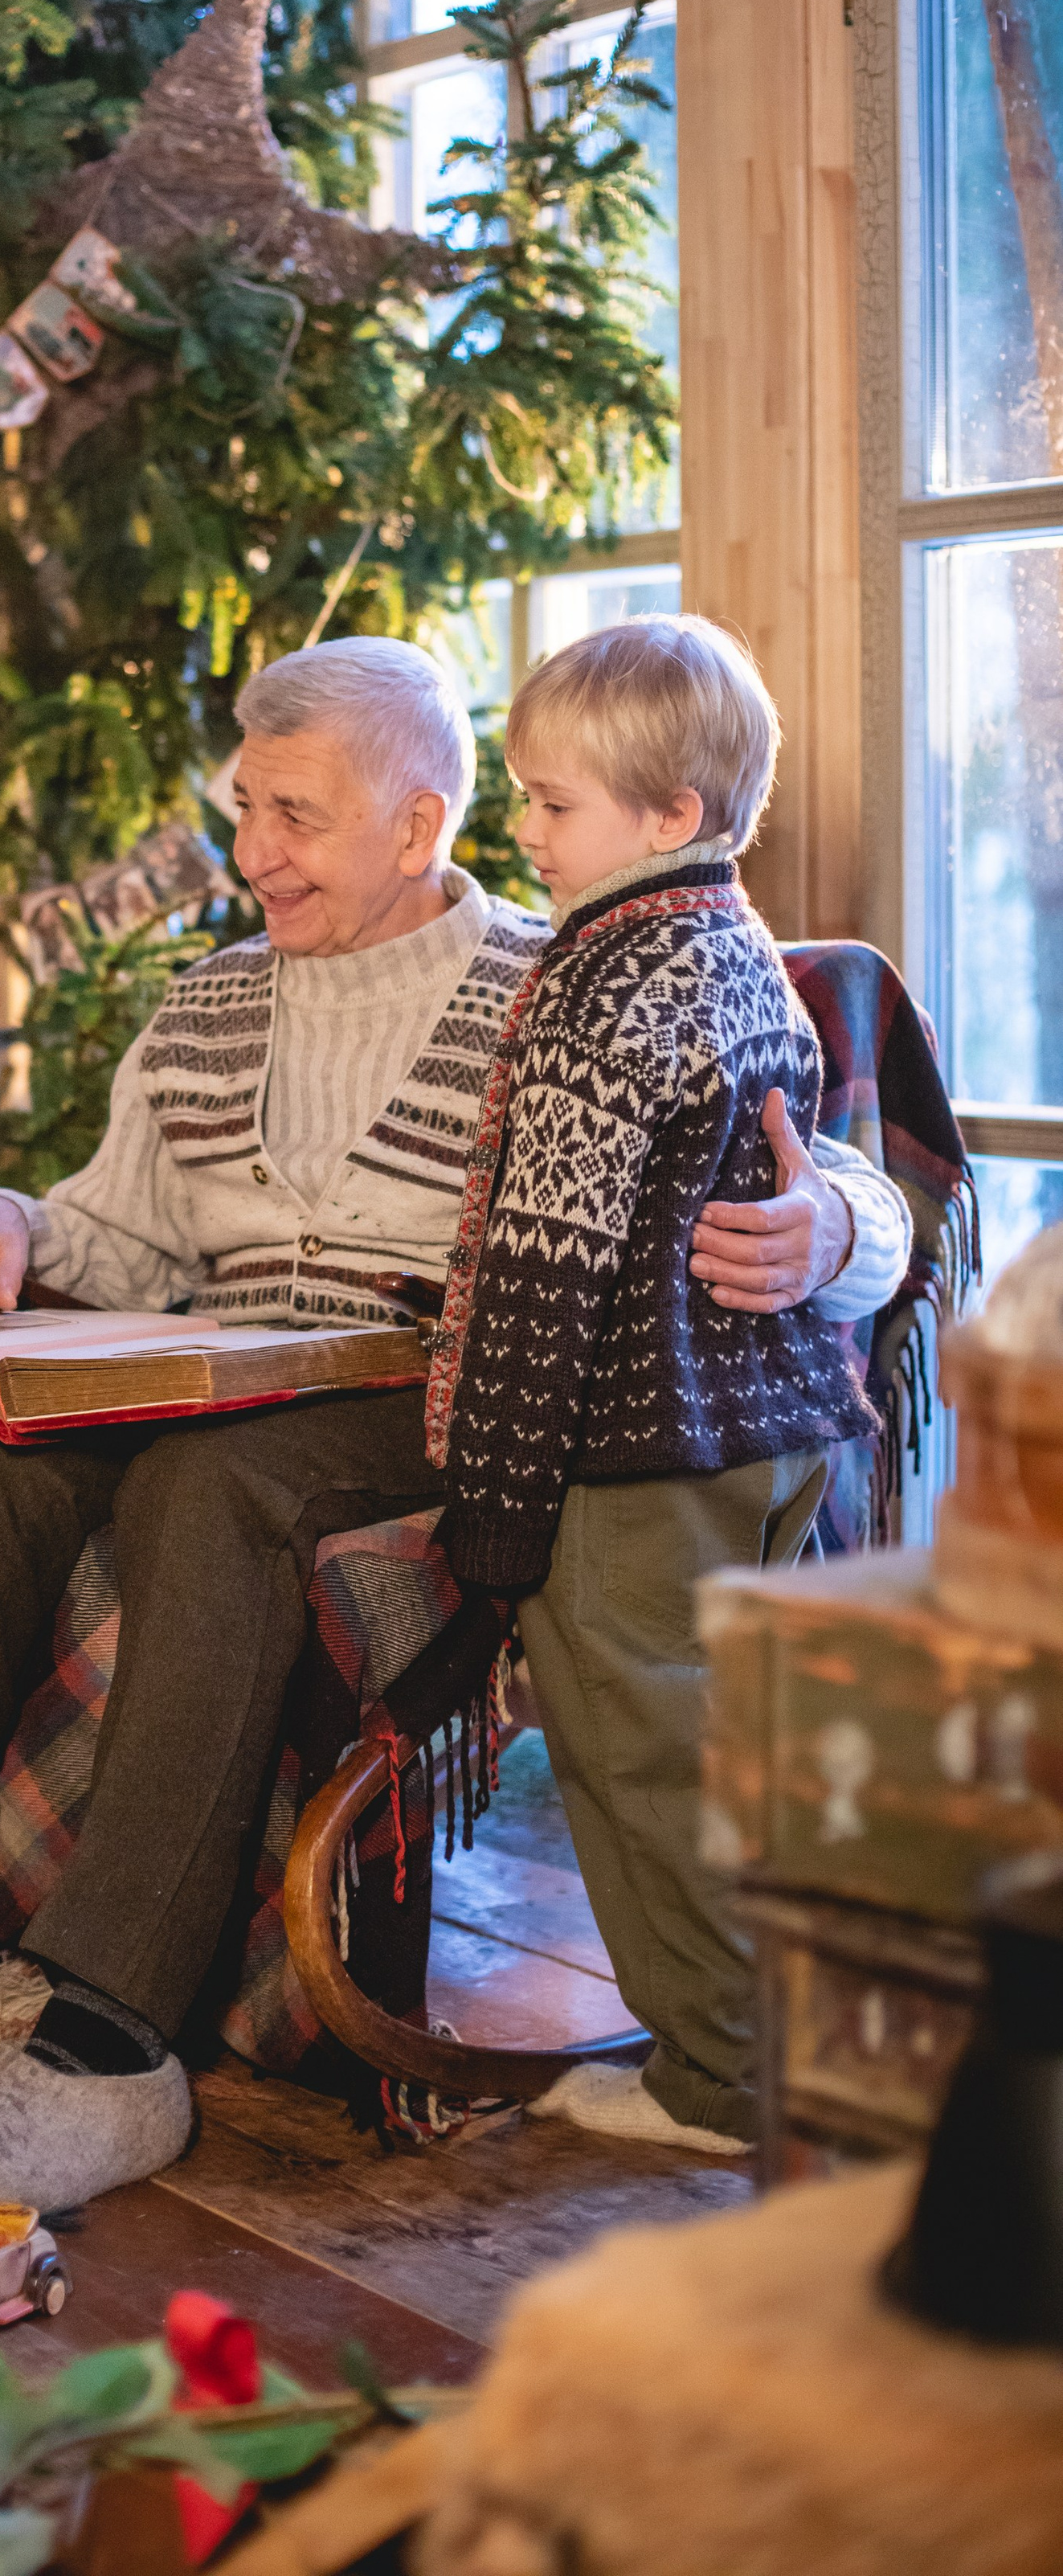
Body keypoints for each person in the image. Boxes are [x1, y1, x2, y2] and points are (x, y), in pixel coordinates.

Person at [0, 637, 913, 2215]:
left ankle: (102, 2041)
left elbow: (802, 1162)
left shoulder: (574, 979)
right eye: (241, 808)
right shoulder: (201, 1009)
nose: (250, 853)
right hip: (210, 1369)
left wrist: (831, 1233)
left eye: (292, 815)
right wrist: (9, 1220)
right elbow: (116, 1235)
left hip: (438, 1394)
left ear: (415, 829)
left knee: (216, 1486)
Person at [427, 617, 873, 2152]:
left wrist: (491, 1504)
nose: (526, 832)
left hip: (638, 1450)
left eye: (553, 805)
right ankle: (778, 2027)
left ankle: (725, 2077)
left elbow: (545, 1274)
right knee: (730, 1748)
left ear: (668, 816)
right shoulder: (739, 944)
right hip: (767, 1428)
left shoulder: (604, 978)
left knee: (645, 1759)